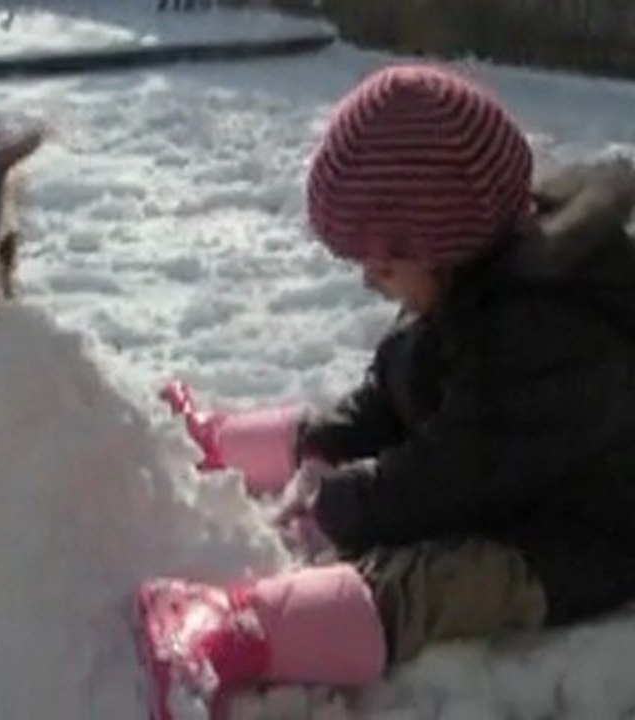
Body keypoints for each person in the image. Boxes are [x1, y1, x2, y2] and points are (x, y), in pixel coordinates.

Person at [135, 63, 635, 720]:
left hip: (585, 533)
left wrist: (338, 505)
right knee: (377, 414)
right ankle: (224, 440)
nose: (373, 283)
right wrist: (326, 447)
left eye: (385, 265)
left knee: (448, 580)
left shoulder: (549, 335)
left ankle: (244, 633)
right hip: (511, 477)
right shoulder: (476, 274)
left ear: (445, 244)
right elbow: (391, 397)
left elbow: (450, 478)